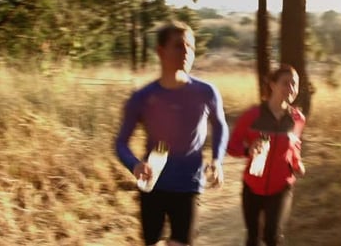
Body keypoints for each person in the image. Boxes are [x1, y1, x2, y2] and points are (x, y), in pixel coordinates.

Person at [115, 21, 229, 246]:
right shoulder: (142, 97)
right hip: (153, 183)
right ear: (160, 51)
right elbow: (120, 143)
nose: (186, 52)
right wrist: (134, 165)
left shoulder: (206, 92)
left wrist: (217, 160)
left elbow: (221, 125)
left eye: (191, 47)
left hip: (188, 184)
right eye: (179, 45)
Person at [227, 64, 306, 246]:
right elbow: (232, 146)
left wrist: (297, 163)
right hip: (252, 186)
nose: (291, 89)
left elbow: (294, 145)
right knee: (253, 238)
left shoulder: (297, 119)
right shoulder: (252, 115)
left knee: (272, 236)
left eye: (294, 84)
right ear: (272, 84)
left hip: (281, 187)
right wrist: (248, 150)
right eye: (286, 83)